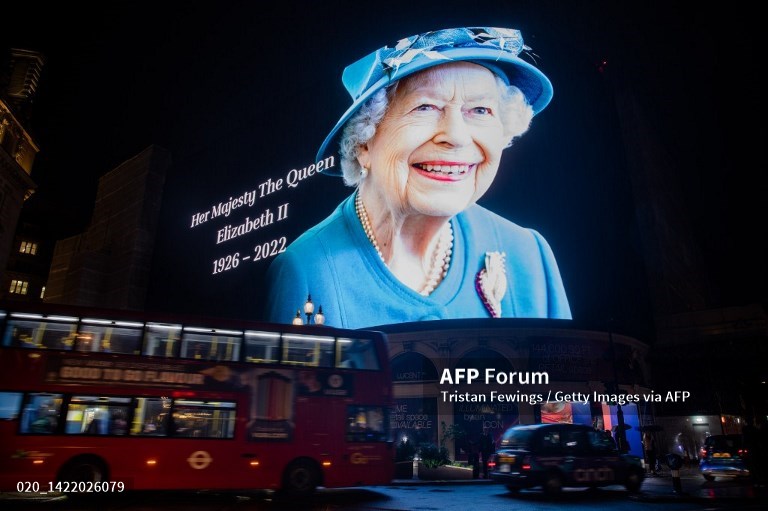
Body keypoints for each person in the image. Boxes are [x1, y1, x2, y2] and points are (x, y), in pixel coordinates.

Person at [264, 27, 571, 328]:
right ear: (363, 143)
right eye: (425, 107)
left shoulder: (529, 256)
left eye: (480, 110)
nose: (456, 136)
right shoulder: (307, 272)